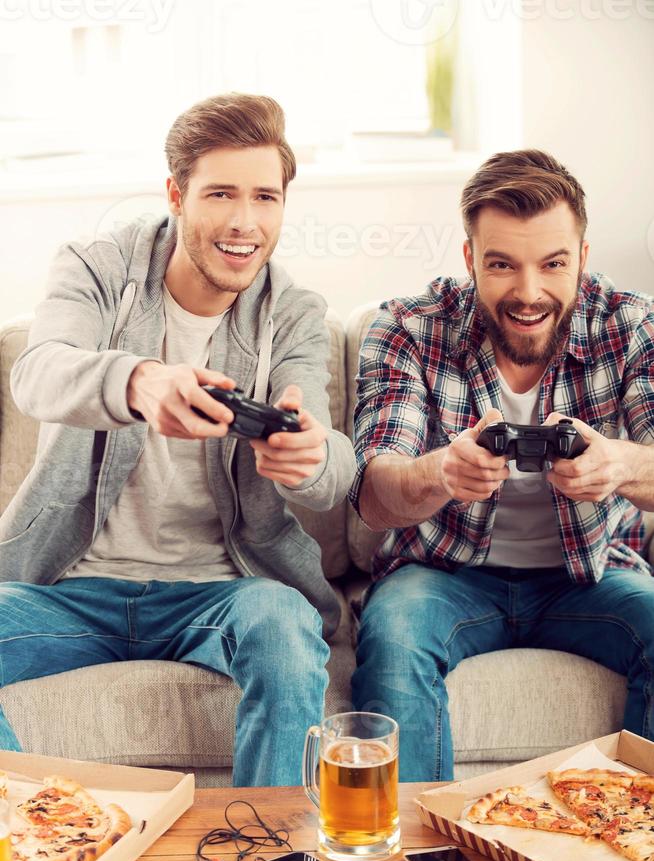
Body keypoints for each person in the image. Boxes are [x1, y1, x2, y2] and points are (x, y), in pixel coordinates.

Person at [0, 93, 355, 786]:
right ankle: (31, 841)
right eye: (220, 193)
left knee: (284, 628)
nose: (244, 222)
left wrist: (309, 456)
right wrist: (140, 381)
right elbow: (38, 374)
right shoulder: (97, 268)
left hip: (224, 593)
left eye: (265, 197)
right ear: (177, 195)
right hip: (75, 587)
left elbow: (335, 463)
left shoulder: (293, 313)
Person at [349, 149, 654, 781]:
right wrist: (440, 474)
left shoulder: (631, 325)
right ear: (469, 261)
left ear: (583, 258)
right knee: (395, 641)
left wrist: (620, 465)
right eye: (502, 265)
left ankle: (633, 855)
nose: (528, 292)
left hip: (592, 576)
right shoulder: (408, 328)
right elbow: (375, 495)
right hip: (440, 575)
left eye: (553, 264)